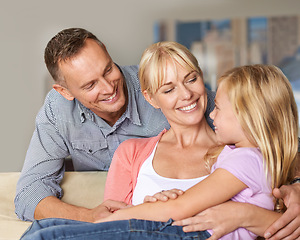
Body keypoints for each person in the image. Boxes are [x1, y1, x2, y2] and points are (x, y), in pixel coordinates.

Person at [20, 42, 300, 240]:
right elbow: (114, 218)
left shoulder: (234, 138)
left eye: (191, 79)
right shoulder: (130, 151)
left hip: (180, 231)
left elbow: (277, 137)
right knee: (39, 232)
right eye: (168, 89)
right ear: (150, 97)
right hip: (149, 225)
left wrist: (296, 186)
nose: (186, 95)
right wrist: (142, 206)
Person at [13, 28, 215, 223]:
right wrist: (89, 217)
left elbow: (236, 126)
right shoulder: (58, 111)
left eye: (108, 69)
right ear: (65, 92)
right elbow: (29, 194)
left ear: (107, 53)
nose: (109, 88)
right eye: (90, 85)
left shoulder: (158, 84)